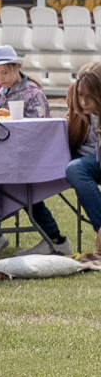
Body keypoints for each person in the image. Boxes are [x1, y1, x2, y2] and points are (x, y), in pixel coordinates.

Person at [0, 45, 69, 254]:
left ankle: (54, 237)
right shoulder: (1, 93)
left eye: (5, 72)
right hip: (8, 155)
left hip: (31, 157)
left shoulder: (32, 92)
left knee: (24, 191)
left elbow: (40, 128)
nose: (0, 79)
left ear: (16, 67)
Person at [65, 63, 101, 253]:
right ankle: (52, 235)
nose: (84, 101)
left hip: (93, 160)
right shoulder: (76, 100)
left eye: (89, 96)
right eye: (80, 94)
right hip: (83, 155)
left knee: (75, 168)